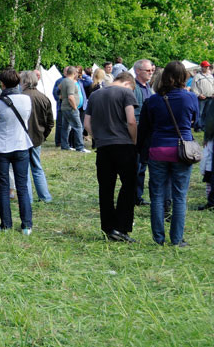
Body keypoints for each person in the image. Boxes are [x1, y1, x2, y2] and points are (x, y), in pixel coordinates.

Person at [138, 61, 199, 246]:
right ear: (184, 77)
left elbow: (144, 128)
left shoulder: (153, 100)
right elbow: (195, 121)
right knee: (179, 196)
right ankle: (177, 239)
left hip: (158, 150)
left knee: (156, 196)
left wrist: (141, 152)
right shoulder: (191, 98)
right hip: (182, 151)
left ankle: (158, 239)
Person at [84, 72, 139, 242]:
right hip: (123, 145)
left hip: (103, 147)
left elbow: (86, 123)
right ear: (128, 83)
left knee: (106, 189)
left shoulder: (95, 94)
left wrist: (97, 137)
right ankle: (121, 227)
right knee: (129, 186)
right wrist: (134, 140)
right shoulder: (126, 93)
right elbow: (131, 120)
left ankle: (108, 227)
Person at [0, 68, 34, 235]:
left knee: (3, 187)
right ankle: (26, 225)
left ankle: (6, 224)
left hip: (2, 146)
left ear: (2, 83)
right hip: (21, 144)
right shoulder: (26, 100)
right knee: (22, 186)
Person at [21, 70, 54, 203]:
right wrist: (42, 136)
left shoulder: (20, 97)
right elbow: (50, 122)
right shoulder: (43, 98)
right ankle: (45, 196)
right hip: (37, 137)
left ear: (23, 81)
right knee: (37, 167)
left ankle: (28, 199)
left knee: (24, 169)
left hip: (22, 138)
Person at [133, 59, 155, 205]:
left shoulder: (149, 88)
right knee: (136, 166)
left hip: (148, 133)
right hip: (136, 131)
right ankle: (134, 196)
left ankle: (138, 196)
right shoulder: (133, 88)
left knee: (143, 165)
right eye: (148, 70)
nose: (151, 72)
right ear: (138, 71)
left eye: (152, 70)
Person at [58, 66, 90, 153]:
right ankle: (80, 147)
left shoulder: (63, 81)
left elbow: (59, 92)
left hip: (64, 107)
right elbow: (70, 97)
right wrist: (75, 108)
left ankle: (65, 145)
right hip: (71, 108)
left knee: (65, 127)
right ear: (74, 73)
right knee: (78, 127)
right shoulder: (71, 82)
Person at [191, 61, 214, 132]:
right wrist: (198, 95)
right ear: (202, 67)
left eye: (208, 66)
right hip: (201, 98)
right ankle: (198, 127)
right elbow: (193, 88)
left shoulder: (211, 76)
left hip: (210, 97)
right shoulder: (197, 76)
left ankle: (204, 126)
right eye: (206, 66)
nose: (207, 68)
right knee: (199, 113)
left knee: (207, 113)